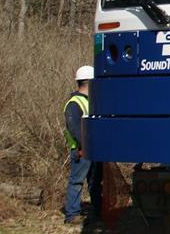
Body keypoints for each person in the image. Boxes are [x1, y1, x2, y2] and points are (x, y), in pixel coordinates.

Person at [63, 65, 102, 225]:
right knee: (76, 182)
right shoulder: (74, 103)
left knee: (95, 182)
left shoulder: (91, 102)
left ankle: (98, 211)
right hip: (82, 150)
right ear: (89, 82)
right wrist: (83, 146)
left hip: (94, 150)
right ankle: (72, 215)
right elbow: (74, 128)